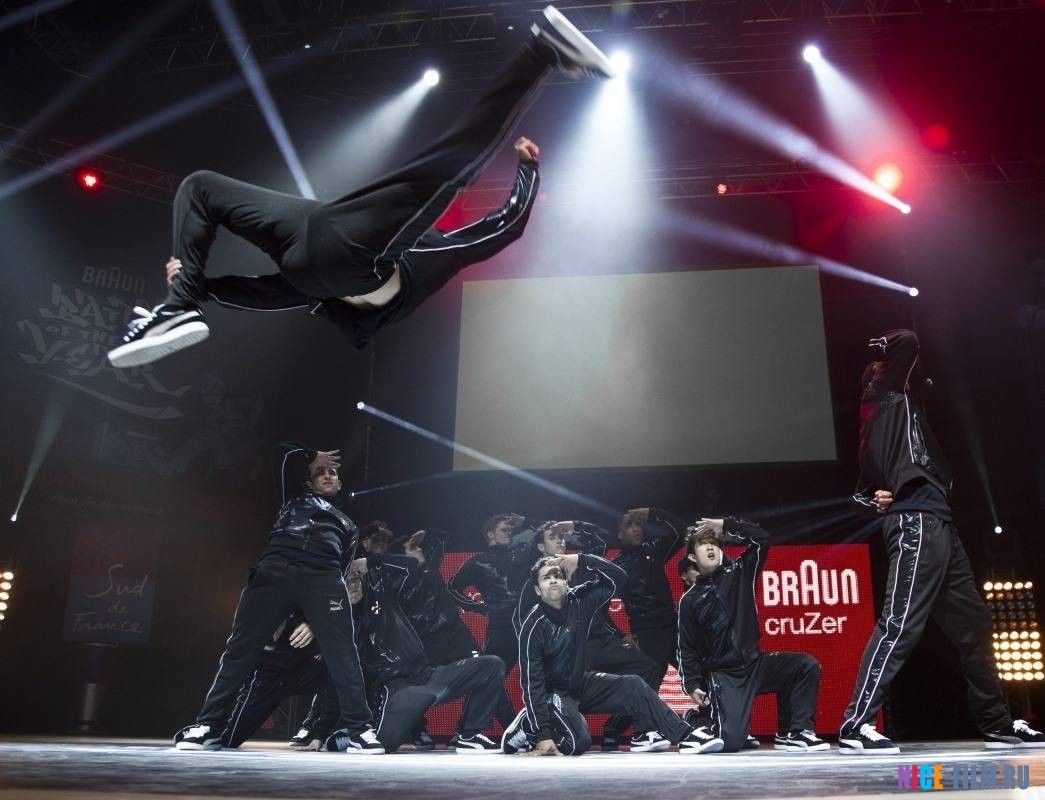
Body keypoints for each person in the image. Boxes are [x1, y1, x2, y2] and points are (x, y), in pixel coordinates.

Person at [106, 5, 616, 368]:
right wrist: (201, 289)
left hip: (342, 262)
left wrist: (527, 173)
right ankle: (177, 307)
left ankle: (543, 48)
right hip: (316, 241)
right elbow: (282, 292)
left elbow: (504, 227)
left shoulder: (424, 254)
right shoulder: (431, 250)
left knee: (450, 161)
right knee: (200, 188)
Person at [841, 329, 1045, 754]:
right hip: (916, 524)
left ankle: (998, 723)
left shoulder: (899, 420)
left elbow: (862, 493)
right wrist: (880, 348)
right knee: (900, 623)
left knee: (975, 626)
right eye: (887, 371)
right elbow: (908, 341)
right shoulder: (885, 400)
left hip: (940, 525)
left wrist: (874, 500)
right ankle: (856, 724)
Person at [173, 444, 382, 754]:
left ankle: (359, 730)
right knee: (240, 647)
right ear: (308, 482)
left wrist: (312, 619)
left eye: (332, 473)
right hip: (275, 570)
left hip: (323, 578)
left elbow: (342, 569)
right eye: (320, 473)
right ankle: (209, 725)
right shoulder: (293, 499)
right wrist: (311, 456)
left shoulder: (348, 525)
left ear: (340, 484)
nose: (327, 475)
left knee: (344, 654)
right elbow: (286, 457)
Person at [503, 553, 723, 756]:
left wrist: (582, 559)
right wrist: (543, 735)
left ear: (566, 582)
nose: (553, 580)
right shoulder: (534, 627)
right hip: (553, 694)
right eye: (546, 578)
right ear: (538, 590)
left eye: (557, 576)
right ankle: (528, 725)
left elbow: (620, 578)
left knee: (633, 685)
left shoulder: (580, 600)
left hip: (580, 684)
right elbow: (532, 684)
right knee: (578, 743)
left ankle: (686, 736)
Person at [677, 518, 828, 753]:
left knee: (805, 666)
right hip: (725, 674)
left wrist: (726, 524)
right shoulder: (689, 601)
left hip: (755, 664)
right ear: (692, 557)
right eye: (703, 545)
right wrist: (692, 683)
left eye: (714, 543)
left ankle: (796, 731)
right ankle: (697, 721)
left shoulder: (740, 573)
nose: (710, 548)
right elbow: (687, 647)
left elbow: (762, 538)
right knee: (730, 742)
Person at [514, 520, 661, 751]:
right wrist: (547, 653)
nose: (560, 540)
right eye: (553, 537)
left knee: (647, 668)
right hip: (568, 650)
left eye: (562, 536)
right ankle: (543, 726)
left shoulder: (580, 567)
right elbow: (522, 622)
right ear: (541, 547)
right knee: (575, 725)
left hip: (600, 640)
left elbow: (603, 542)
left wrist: (577, 526)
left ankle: (636, 731)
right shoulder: (536, 584)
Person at [338, 552, 505, 753]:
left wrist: (369, 561)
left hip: (428, 676)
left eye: (355, 578)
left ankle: (470, 734)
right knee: (381, 745)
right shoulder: (340, 623)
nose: (353, 585)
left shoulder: (384, 595)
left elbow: (410, 564)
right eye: (346, 581)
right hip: (398, 689)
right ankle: (341, 738)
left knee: (491, 665)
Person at [448, 512, 532, 726]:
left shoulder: (521, 553)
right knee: (489, 676)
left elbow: (542, 532)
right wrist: (479, 607)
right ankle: (510, 726)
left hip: (531, 624)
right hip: (503, 627)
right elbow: (452, 588)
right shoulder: (478, 562)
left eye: (511, 530)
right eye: (504, 530)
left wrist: (526, 522)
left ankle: (536, 727)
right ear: (490, 534)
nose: (509, 533)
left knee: (546, 674)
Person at [217, 614, 340, 751]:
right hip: (271, 669)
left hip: (306, 664)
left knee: (339, 672)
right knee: (229, 740)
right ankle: (209, 726)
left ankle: (317, 729)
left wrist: (320, 734)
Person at [612, 507, 687, 694]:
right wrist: (619, 635)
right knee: (648, 687)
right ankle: (622, 718)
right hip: (647, 632)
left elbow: (680, 530)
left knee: (696, 675)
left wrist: (652, 512)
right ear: (620, 534)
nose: (636, 529)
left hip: (672, 625)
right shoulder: (615, 567)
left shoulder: (654, 549)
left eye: (638, 524)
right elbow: (599, 607)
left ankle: (709, 712)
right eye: (629, 526)